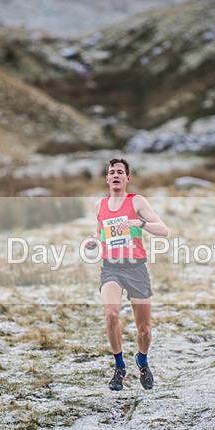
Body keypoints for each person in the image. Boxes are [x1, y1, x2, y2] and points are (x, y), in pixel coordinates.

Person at [84, 158, 169, 391]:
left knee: (144, 329)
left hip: (136, 268)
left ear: (127, 178)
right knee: (111, 314)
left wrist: (138, 222)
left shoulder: (137, 201)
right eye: (111, 172)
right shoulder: (99, 205)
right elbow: (100, 231)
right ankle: (119, 367)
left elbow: (164, 230)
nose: (115, 175)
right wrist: (93, 240)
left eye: (120, 172)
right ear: (107, 178)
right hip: (111, 267)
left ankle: (142, 361)